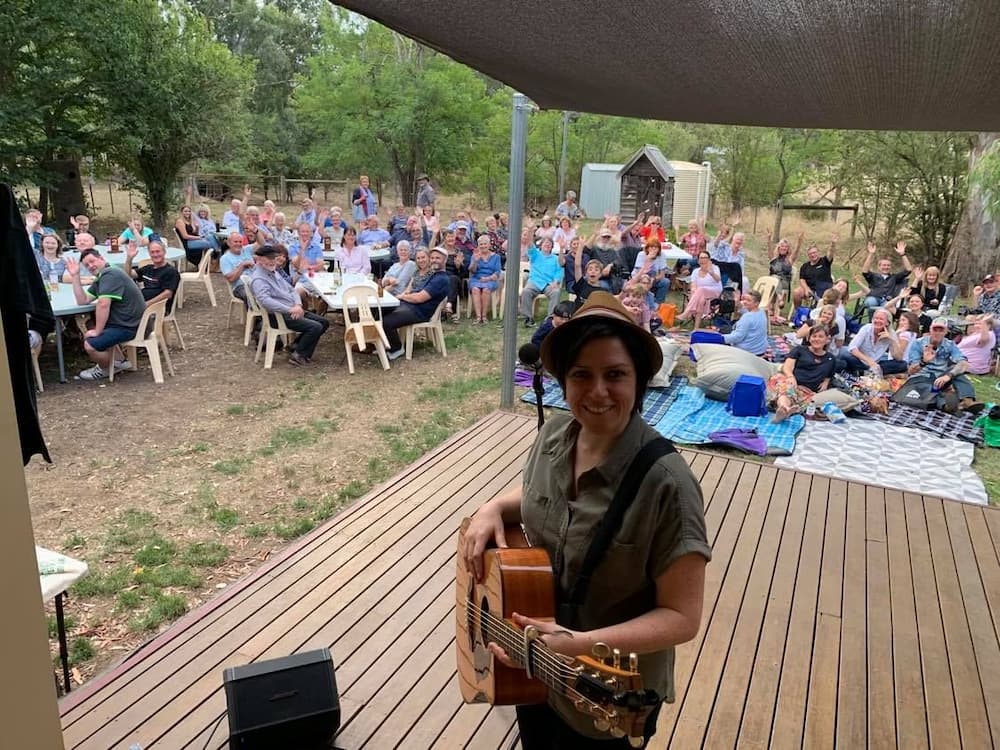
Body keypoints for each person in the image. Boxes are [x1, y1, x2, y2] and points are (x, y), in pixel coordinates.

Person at [460, 290, 709, 749]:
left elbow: (682, 618)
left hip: (606, 696)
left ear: (638, 381)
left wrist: (576, 643)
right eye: (581, 375)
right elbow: (541, 497)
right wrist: (493, 507)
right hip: (532, 666)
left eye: (614, 374)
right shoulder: (557, 431)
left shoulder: (667, 485)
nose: (597, 392)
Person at [64, 248, 147, 381]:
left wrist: (98, 331)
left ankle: (107, 368)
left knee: (90, 345)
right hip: (130, 321)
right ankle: (120, 361)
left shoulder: (110, 275)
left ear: (101, 258)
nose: (91, 266)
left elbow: (103, 304)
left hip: (131, 326)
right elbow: (82, 300)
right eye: (87, 265)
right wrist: (75, 276)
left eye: (92, 261)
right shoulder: (104, 274)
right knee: (91, 322)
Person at [249, 245, 329, 366]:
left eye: (274, 258)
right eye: (269, 258)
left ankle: (296, 346)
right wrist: (290, 309)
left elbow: (291, 289)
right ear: (259, 260)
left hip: (291, 309)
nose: (272, 261)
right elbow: (266, 301)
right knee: (315, 327)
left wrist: (298, 304)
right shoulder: (259, 279)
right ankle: (299, 355)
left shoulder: (273, 271)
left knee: (324, 322)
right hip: (278, 315)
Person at [382, 245, 451, 360]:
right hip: (411, 306)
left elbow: (419, 298)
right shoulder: (433, 274)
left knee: (386, 321)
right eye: (432, 258)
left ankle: (397, 349)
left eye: (438, 258)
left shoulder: (441, 279)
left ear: (445, 260)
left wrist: (403, 297)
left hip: (420, 312)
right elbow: (414, 291)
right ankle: (381, 344)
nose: (434, 260)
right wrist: (404, 297)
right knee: (380, 311)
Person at [904, 317, 978, 410]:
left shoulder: (950, 344)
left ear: (946, 331)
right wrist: (924, 362)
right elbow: (911, 371)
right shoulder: (918, 344)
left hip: (941, 378)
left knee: (958, 371)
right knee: (928, 390)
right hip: (921, 378)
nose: (937, 333)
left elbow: (963, 363)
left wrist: (949, 375)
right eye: (935, 329)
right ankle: (946, 405)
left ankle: (968, 400)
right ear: (930, 330)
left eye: (941, 330)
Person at [768, 323, 836, 422]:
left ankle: (784, 410)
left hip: (806, 389)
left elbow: (830, 374)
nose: (817, 339)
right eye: (814, 336)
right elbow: (787, 367)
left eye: (821, 336)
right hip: (790, 380)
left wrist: (826, 382)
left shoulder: (831, 359)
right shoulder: (800, 350)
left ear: (827, 339)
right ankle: (784, 408)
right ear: (809, 338)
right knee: (787, 389)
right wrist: (791, 377)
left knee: (803, 399)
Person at [840, 307, 908, 374]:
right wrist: (870, 362)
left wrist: (892, 340)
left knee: (903, 364)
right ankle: (866, 372)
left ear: (887, 323)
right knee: (844, 354)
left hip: (877, 364)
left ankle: (863, 372)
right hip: (860, 360)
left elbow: (899, 358)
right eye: (876, 318)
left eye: (881, 319)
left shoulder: (891, 333)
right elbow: (852, 348)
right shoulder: (866, 328)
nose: (877, 321)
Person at [124, 237, 180, 313]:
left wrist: (147, 304)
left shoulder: (170, 271)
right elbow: (129, 274)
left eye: (158, 251)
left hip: (157, 309)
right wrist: (129, 258)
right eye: (152, 252)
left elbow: (167, 294)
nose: (155, 254)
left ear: (164, 252)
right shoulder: (148, 268)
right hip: (139, 304)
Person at [860, 240, 912, 319]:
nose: (886, 267)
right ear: (879, 267)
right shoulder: (873, 276)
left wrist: (902, 254)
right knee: (871, 302)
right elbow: (864, 270)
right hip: (874, 298)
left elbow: (908, 270)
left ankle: (884, 323)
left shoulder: (894, 277)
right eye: (884, 265)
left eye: (888, 265)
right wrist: (871, 254)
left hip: (887, 301)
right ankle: (872, 322)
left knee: (888, 307)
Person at [520, 237, 564, 327]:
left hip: (549, 284)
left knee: (556, 292)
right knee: (526, 291)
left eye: (549, 243)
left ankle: (550, 318)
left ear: (552, 247)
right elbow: (530, 245)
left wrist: (556, 282)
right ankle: (528, 318)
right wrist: (531, 230)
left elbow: (559, 271)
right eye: (545, 242)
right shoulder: (535, 254)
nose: (547, 244)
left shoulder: (555, 258)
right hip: (534, 281)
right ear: (541, 245)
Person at [674, 251, 722, 330]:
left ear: (709, 259)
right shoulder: (696, 271)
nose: (703, 260)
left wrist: (712, 273)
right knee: (701, 300)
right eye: (701, 258)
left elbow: (718, 279)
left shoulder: (715, 268)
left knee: (701, 289)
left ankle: (687, 313)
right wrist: (693, 292)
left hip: (715, 291)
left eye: (705, 258)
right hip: (700, 294)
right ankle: (696, 328)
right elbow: (693, 285)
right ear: (698, 260)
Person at [793, 237, 837, 307]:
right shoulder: (805, 266)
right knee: (796, 293)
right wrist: (806, 288)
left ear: (818, 253)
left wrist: (833, 244)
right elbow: (802, 279)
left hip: (824, 289)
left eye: (814, 252)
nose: (813, 255)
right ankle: (799, 312)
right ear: (808, 255)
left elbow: (830, 253)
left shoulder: (825, 261)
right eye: (810, 254)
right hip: (810, 289)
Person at [767, 231, 802, 318]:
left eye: (786, 247)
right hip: (772, 281)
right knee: (775, 278)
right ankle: (779, 299)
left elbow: (796, 251)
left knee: (776, 280)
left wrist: (799, 241)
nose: (784, 248)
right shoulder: (773, 258)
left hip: (784, 282)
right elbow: (769, 249)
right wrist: (769, 239)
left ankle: (772, 306)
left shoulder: (790, 259)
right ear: (778, 247)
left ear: (788, 249)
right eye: (782, 246)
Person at [723, 290, 769, 355]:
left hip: (747, 351)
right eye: (744, 299)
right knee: (727, 328)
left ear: (756, 303)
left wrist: (720, 338)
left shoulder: (747, 317)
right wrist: (737, 302)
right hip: (760, 349)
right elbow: (745, 311)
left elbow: (737, 337)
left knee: (724, 331)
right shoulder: (761, 312)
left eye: (748, 300)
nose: (745, 302)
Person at [469, 234, 502, 324]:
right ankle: (478, 317)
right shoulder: (475, 255)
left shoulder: (496, 257)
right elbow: (472, 271)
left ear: (489, 245)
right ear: (478, 246)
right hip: (476, 279)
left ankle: (484, 316)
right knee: (475, 289)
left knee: (486, 290)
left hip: (491, 279)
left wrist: (488, 278)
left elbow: (497, 272)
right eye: (481, 244)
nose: (483, 246)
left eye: (485, 244)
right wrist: (475, 261)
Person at [220, 232, 256, 304]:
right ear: (229, 243)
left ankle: (272, 314)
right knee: (251, 297)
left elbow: (262, 243)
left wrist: (256, 231)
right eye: (235, 242)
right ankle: (257, 314)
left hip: (255, 282)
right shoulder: (225, 258)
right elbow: (231, 279)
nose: (238, 244)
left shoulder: (246, 250)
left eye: (240, 242)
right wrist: (242, 265)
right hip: (240, 286)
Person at [631, 238, 670, 304]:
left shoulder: (662, 255)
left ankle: (658, 304)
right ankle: (642, 302)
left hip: (654, 279)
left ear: (659, 249)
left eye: (656, 247)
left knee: (665, 282)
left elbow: (662, 275)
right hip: (639, 278)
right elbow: (639, 273)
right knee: (644, 283)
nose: (653, 249)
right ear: (648, 248)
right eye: (651, 247)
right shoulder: (641, 255)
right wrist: (647, 260)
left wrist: (653, 279)